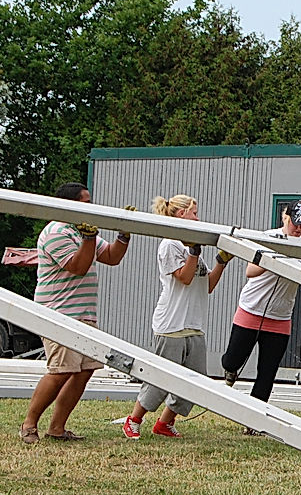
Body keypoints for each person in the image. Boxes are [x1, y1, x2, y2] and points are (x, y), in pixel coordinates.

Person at [20, 182, 130, 444]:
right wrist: (90, 238)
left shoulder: (81, 231)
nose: (90, 207)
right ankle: (29, 424)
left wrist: (124, 234)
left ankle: (57, 428)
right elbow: (78, 266)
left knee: (83, 370)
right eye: (85, 202)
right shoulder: (57, 231)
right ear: (68, 204)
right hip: (59, 313)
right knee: (60, 370)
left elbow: (112, 257)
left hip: (83, 313)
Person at [220, 200, 301, 434]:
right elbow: (250, 271)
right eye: (295, 223)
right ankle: (230, 370)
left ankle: (253, 422)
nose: (299, 229)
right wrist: (274, 259)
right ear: (285, 217)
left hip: (281, 316)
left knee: (268, 372)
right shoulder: (268, 237)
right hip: (252, 309)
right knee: (233, 359)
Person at [122, 194, 232, 440]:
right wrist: (193, 251)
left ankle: (164, 423)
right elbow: (183, 277)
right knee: (161, 378)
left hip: (194, 323)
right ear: (181, 214)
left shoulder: (191, 247)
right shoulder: (170, 244)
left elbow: (207, 285)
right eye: (194, 213)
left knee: (194, 381)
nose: (198, 218)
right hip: (171, 323)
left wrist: (220, 263)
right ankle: (134, 419)